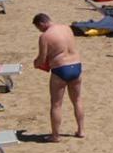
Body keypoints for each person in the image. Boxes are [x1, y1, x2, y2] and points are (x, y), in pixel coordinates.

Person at [32, 12, 85, 142]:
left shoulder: (45, 36)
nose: (40, 30)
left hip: (61, 68)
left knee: (56, 104)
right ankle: (81, 130)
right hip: (76, 66)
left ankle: (55, 136)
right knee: (77, 100)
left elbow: (42, 59)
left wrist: (35, 64)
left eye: (39, 28)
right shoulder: (67, 28)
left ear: (42, 24)